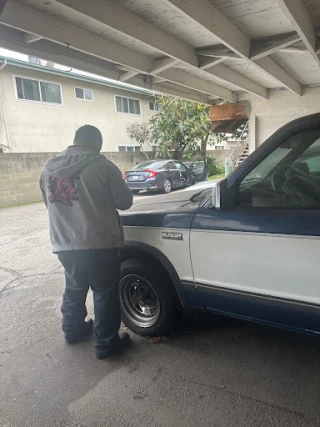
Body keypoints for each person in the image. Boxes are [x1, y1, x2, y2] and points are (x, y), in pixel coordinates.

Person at [40, 125, 133, 359]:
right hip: (99, 243)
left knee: (74, 286)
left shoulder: (49, 169)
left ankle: (72, 331)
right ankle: (106, 344)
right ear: (97, 144)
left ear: (75, 140)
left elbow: (48, 203)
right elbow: (125, 202)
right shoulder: (102, 166)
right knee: (104, 292)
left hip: (64, 244)